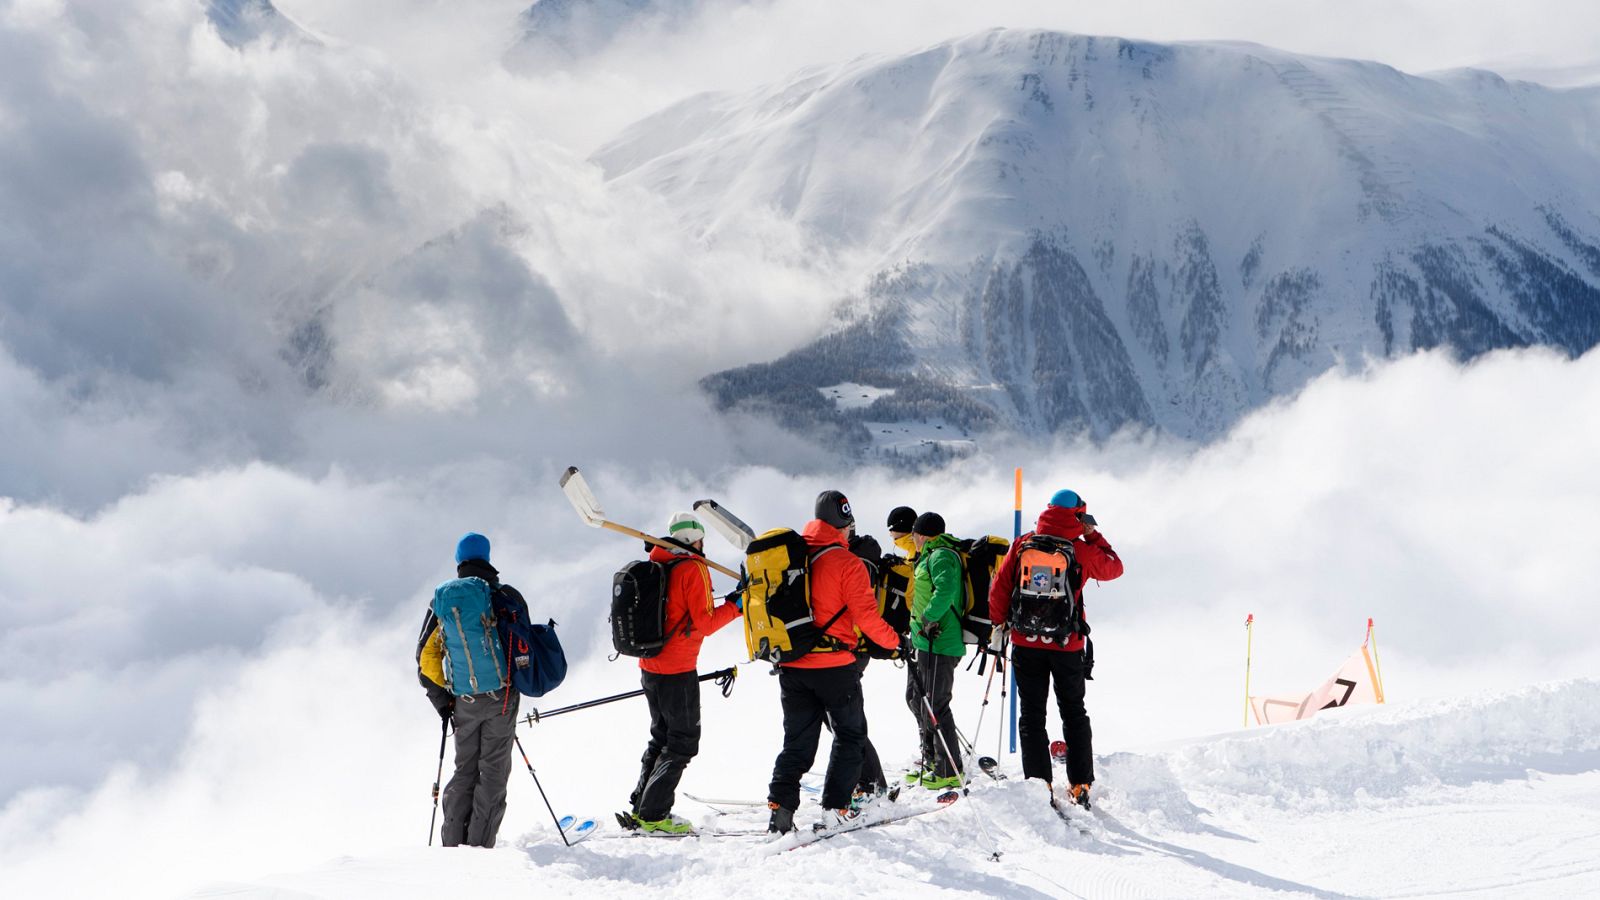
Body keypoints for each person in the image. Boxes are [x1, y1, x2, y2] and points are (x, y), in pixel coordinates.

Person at [767, 490, 901, 834]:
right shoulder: (847, 563)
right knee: (849, 735)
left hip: (792, 664)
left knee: (796, 742)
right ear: (842, 524)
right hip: (835, 667)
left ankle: (780, 809)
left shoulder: (790, 558)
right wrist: (895, 642)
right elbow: (868, 620)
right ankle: (835, 808)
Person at [988, 489, 1123, 810]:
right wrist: (1094, 536)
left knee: (1031, 715)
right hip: (1067, 644)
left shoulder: (1023, 544)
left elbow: (1000, 589)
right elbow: (1115, 568)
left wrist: (999, 625)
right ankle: (1079, 783)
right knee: (1074, 712)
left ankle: (1039, 783)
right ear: (1079, 514)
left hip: (1024, 642)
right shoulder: (1079, 549)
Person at [623, 512, 742, 835]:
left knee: (661, 736)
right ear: (694, 540)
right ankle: (654, 813)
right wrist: (738, 605)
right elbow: (705, 624)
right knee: (683, 742)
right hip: (678, 668)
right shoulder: (692, 568)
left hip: (650, 666)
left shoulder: (658, 563)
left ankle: (642, 805)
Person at [416, 532, 524, 848]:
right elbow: (521, 644)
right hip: (501, 698)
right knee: (492, 772)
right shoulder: (503, 595)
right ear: (487, 558)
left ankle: (452, 844)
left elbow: (425, 657)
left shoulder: (443, 602)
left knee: (464, 769)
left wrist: (444, 701)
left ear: (459, 560)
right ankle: (479, 846)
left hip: (462, 701)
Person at [904, 511, 966, 790]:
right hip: (927, 640)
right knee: (919, 700)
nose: (913, 540)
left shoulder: (941, 555)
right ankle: (933, 761)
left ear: (922, 534)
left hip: (940, 640)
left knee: (936, 703)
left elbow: (946, 590)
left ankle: (949, 769)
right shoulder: (930, 554)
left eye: (915, 535)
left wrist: (928, 618)